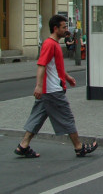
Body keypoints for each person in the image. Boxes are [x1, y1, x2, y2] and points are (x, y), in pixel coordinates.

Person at [14, 15, 97, 158]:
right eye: (64, 27)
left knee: (37, 117)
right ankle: (79, 147)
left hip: (48, 91)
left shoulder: (55, 44)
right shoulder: (49, 44)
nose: (66, 29)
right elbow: (41, 65)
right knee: (67, 117)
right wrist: (38, 86)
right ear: (55, 28)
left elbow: (56, 67)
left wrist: (67, 77)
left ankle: (23, 145)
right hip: (52, 91)